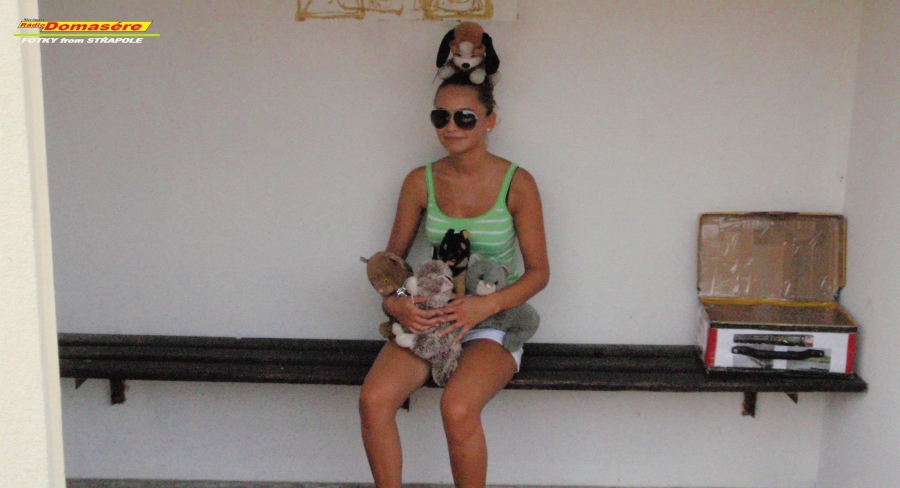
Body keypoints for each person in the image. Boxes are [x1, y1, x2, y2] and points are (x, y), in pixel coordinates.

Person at [358, 71, 550, 488]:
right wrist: (396, 303)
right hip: (433, 317)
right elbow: (391, 266)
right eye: (440, 117)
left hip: (493, 319)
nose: (451, 127)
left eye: (465, 117)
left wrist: (485, 306)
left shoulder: (517, 182)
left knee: (458, 408)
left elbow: (540, 273)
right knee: (374, 400)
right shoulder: (420, 181)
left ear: (489, 120)